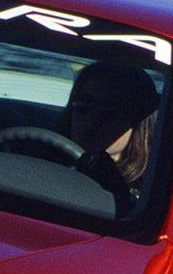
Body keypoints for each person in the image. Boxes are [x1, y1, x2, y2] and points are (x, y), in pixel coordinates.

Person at [64, 60, 161, 189]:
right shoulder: (40, 160)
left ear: (139, 124)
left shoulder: (151, 194)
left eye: (110, 112)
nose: (93, 120)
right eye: (84, 106)